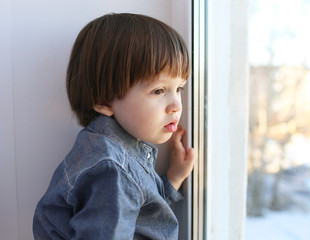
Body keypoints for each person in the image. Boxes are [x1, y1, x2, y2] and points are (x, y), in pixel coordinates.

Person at [33, 13, 195, 239]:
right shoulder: (111, 170)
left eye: (179, 89)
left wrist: (174, 178)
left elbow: (141, 214)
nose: (176, 106)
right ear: (104, 100)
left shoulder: (114, 152)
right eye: (158, 90)